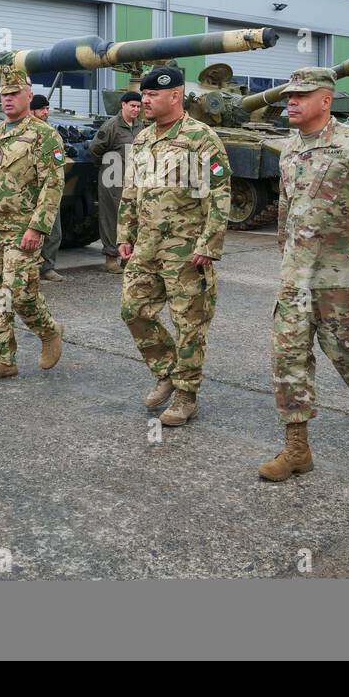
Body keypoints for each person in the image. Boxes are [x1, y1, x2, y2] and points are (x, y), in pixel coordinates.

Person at [258, 68, 349, 481]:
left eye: (302, 95)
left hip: (343, 276)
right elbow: (287, 209)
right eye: (289, 95)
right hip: (296, 277)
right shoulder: (288, 149)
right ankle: (297, 448)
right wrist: (286, 254)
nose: (292, 101)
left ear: (326, 100)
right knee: (287, 358)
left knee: (348, 358)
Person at [118, 65, 231, 427]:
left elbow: (220, 193)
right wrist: (124, 233)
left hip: (186, 249)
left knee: (189, 323)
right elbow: (131, 188)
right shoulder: (142, 138)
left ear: (175, 96)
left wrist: (208, 244)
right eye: (144, 95)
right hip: (146, 246)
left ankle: (186, 394)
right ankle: (166, 370)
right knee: (133, 309)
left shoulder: (201, 137)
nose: (144, 100)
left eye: (152, 96)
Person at [0, 68, 66, 382]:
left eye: (13, 94)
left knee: (21, 293)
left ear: (28, 95)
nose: (8, 100)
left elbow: (53, 185)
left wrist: (37, 227)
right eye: (3, 95)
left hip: (22, 230)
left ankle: (49, 331)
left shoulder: (45, 135)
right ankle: (3, 359)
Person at [88, 90, 143, 274]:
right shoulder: (111, 125)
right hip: (112, 179)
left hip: (133, 180)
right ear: (123, 105)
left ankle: (127, 258)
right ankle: (111, 258)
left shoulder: (140, 125)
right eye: (132, 106)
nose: (136, 109)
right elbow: (95, 149)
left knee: (132, 218)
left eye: (138, 106)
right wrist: (107, 167)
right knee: (112, 218)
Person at [29, 94, 66, 282]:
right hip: (26, 192)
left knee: (53, 231)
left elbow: (58, 161)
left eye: (47, 108)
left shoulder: (51, 133)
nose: (46, 112)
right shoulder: (21, 132)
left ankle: (47, 267)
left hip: (48, 190)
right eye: (42, 109)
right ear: (31, 110)